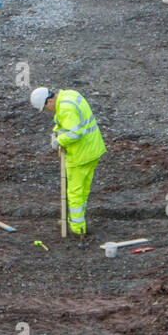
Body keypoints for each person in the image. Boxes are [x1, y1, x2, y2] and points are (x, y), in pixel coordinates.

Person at [31, 87, 105, 241]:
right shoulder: (69, 96)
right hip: (92, 150)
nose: (47, 111)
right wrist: (57, 131)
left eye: (46, 107)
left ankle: (77, 229)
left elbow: (74, 133)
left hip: (80, 155)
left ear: (49, 100)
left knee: (75, 193)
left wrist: (59, 140)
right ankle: (79, 223)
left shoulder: (65, 108)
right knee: (83, 190)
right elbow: (66, 122)